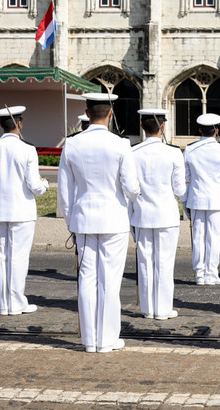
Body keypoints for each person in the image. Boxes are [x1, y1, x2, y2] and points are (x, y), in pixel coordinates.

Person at [58, 91, 140, 353]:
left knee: (87, 277)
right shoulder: (120, 144)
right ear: (111, 113)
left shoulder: (72, 144)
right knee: (110, 281)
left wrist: (72, 219)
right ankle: (106, 339)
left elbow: (64, 190)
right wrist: (130, 198)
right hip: (113, 219)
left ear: (87, 111)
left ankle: (89, 339)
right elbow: (131, 187)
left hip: (83, 219)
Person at [0, 105, 48, 316]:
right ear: (19, 124)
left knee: (0, 258)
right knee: (18, 257)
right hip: (22, 212)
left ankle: (4, 304)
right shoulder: (27, 149)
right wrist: (44, 185)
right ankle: (16, 302)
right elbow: (34, 185)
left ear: (0, 125)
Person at [129, 108, 186, 321]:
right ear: (162, 127)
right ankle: (162, 309)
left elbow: (130, 188)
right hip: (166, 215)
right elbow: (180, 190)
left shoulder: (133, 153)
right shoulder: (173, 153)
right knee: (164, 262)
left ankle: (148, 308)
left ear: (142, 127)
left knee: (145, 262)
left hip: (142, 214)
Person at [184, 112, 220, 286]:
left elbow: (186, 177)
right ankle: (211, 273)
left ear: (200, 130)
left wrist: (185, 202)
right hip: (217, 199)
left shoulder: (190, 150)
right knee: (214, 237)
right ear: (217, 130)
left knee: (198, 236)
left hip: (197, 198)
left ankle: (199, 273)